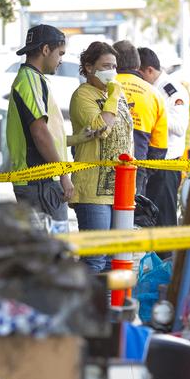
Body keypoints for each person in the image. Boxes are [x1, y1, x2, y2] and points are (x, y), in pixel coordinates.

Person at [69, 41, 134, 273]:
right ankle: (90, 309)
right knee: (95, 260)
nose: (112, 71)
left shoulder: (115, 93)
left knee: (113, 261)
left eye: (114, 66)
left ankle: (109, 309)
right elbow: (100, 127)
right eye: (106, 65)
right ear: (89, 67)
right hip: (92, 190)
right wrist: (113, 97)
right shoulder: (82, 95)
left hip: (120, 188)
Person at [5, 24, 73, 230]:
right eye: (60, 53)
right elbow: (40, 133)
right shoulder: (30, 80)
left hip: (38, 182)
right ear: (45, 50)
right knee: (55, 252)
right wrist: (63, 174)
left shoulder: (33, 79)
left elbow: (48, 132)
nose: (61, 60)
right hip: (40, 182)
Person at [137, 47, 189, 227]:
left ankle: (166, 256)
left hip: (166, 165)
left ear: (149, 70)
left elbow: (179, 127)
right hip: (151, 162)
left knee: (164, 219)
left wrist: (154, 115)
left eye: (139, 74)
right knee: (149, 218)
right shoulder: (151, 88)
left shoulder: (170, 90)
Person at [113, 39, 168, 194]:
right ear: (137, 65)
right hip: (135, 170)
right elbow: (159, 148)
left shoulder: (100, 86)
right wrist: (143, 172)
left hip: (98, 168)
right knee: (132, 216)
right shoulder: (154, 94)